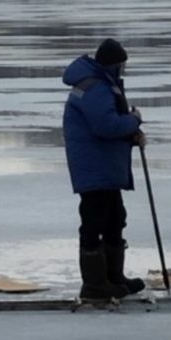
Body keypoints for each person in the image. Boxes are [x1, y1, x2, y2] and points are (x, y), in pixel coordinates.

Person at [62, 38, 146, 300]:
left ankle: (113, 277)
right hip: (94, 167)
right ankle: (95, 285)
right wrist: (133, 121)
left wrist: (131, 132)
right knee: (95, 221)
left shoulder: (100, 84)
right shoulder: (95, 87)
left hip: (103, 166)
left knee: (115, 218)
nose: (123, 70)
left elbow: (108, 125)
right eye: (121, 65)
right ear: (113, 64)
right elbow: (106, 126)